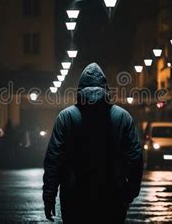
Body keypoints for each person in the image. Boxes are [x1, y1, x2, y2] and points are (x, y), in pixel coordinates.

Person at [42, 63, 143, 224]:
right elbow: (135, 157)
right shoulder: (123, 117)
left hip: (74, 196)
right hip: (112, 196)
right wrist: (129, 191)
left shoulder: (66, 117)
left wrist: (49, 196)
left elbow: (54, 159)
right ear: (106, 89)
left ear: (79, 90)